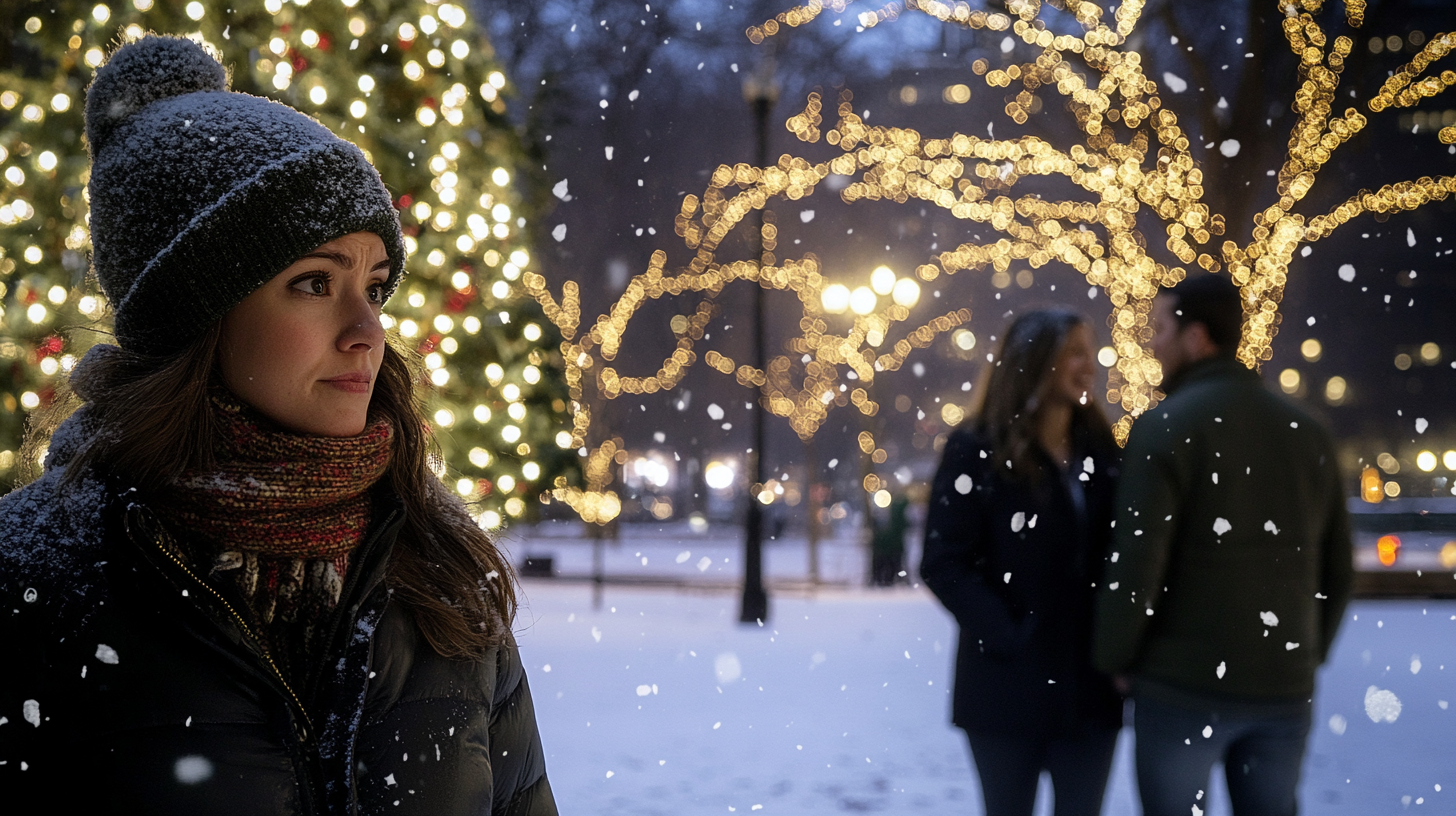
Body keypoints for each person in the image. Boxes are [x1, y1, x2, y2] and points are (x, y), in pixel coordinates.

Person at [0, 36, 556, 814]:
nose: (368, 329)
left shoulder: (438, 569)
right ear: (198, 315)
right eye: (315, 282)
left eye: (376, 283)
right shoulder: (36, 581)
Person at [1092, 274, 1352, 816]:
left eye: (1161, 328)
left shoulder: (1164, 428)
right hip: (1281, 685)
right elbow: (1337, 567)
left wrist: (1114, 654)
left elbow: (1139, 561)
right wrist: (1306, 652)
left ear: (1198, 337)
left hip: (1182, 685)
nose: (1153, 343)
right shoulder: (1308, 431)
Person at [922, 309, 1123, 816]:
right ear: (1036, 362)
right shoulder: (975, 450)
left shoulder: (1101, 450)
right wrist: (1009, 631)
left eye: (1090, 351)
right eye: (1075, 352)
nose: (1089, 366)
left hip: (1090, 687)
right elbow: (944, 562)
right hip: (1004, 690)